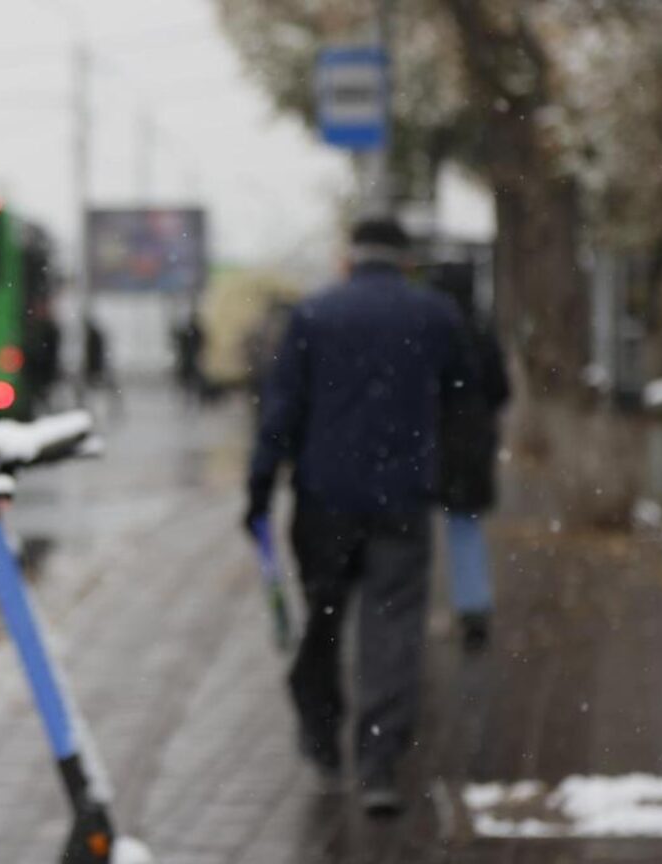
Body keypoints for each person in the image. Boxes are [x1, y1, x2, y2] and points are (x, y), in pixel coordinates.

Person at [245, 217, 471, 817]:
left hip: (325, 499)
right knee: (393, 627)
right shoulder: (433, 316)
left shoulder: (315, 315)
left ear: (351, 256)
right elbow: (463, 397)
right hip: (403, 499)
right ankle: (378, 762)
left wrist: (260, 487)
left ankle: (322, 737)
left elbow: (281, 409)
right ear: (404, 259)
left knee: (323, 618)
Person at [428, 262, 510, 652]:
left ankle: (416, 609)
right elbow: (501, 389)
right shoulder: (481, 331)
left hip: (428, 438)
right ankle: (473, 607)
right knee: (465, 526)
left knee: (416, 528)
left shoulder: (428, 331)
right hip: (473, 441)